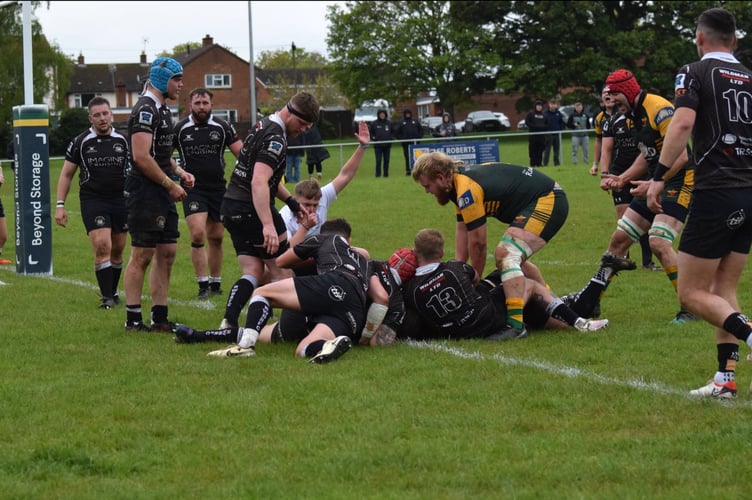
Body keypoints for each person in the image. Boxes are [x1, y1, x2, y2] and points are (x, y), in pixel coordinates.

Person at [646, 8, 752, 398]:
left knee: (690, 293)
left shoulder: (695, 71)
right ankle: (725, 381)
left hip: (716, 190)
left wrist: (658, 177)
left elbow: (684, 123)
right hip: (748, 190)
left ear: (699, 38)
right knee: (723, 289)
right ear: (735, 41)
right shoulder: (749, 77)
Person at [566, 69, 695, 324]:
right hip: (656, 179)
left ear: (627, 92)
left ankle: (690, 306)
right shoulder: (631, 117)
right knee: (619, 239)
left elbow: (680, 157)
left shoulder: (660, 109)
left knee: (658, 241)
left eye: (614, 97)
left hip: (680, 180)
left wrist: (655, 183)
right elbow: (645, 155)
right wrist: (622, 178)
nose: (612, 104)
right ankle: (591, 301)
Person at [411, 151, 569, 338]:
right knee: (517, 263)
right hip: (541, 197)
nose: (427, 191)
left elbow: (478, 243)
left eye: (427, 186)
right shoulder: (456, 184)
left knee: (506, 254)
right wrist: (457, 270)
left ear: (440, 177)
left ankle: (516, 326)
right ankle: (554, 307)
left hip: (547, 199)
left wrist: (473, 281)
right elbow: (463, 230)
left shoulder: (466, 189)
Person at [217, 91, 318, 332]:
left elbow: (265, 177)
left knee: (252, 270)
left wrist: (293, 203)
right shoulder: (276, 138)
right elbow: (259, 182)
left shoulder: (263, 123)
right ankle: (283, 328)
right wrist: (268, 224)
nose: (304, 130)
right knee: (282, 271)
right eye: (303, 124)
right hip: (251, 209)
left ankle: (228, 322)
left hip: (231, 206)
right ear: (291, 112)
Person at [204, 218, 371, 363]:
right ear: (349, 239)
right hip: (355, 307)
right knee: (302, 349)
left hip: (335, 283)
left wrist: (312, 255)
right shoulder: (362, 257)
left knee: (262, 293)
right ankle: (327, 345)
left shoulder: (323, 238)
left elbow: (282, 262)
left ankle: (245, 346)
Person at [398, 228, 608, 340]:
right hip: (484, 318)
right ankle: (579, 322)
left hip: (457, 330)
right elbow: (474, 280)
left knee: (509, 273)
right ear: (441, 252)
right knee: (524, 281)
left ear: (415, 254)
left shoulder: (411, 289)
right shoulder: (454, 267)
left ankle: (554, 303)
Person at [122, 57, 195, 332]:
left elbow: (161, 155)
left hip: (163, 189)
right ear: (163, 80)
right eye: (177, 79)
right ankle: (133, 319)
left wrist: (180, 172)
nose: (181, 85)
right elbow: (141, 157)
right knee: (141, 255)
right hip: (145, 192)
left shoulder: (163, 110)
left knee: (167, 253)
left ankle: (160, 317)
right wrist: (170, 184)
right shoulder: (144, 110)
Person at [54, 97, 129, 309]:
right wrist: (60, 204)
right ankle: (106, 298)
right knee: (102, 245)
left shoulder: (123, 140)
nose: (102, 118)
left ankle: (113, 293)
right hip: (93, 200)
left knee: (118, 249)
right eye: (97, 115)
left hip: (120, 199)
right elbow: (67, 174)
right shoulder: (81, 141)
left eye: (105, 113)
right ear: (90, 118)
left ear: (111, 114)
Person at [173, 88, 243, 300]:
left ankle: (215, 283)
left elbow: (243, 153)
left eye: (205, 103)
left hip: (218, 189)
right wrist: (181, 173)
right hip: (194, 190)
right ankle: (202, 285)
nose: (201, 107)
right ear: (190, 104)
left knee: (217, 237)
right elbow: (163, 156)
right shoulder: (180, 128)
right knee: (196, 233)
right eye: (197, 103)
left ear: (211, 105)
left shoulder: (222, 127)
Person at [598, 92, 659, 273]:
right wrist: (605, 175)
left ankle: (648, 261)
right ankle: (622, 258)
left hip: (643, 173)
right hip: (619, 173)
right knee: (624, 219)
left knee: (644, 218)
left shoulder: (642, 120)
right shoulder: (611, 122)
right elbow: (607, 149)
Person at [395, 108, 423, 175]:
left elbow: (421, 130)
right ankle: (408, 170)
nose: (407, 114)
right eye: (406, 113)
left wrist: (419, 137)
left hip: (415, 143)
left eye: (408, 113)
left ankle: (417, 170)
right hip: (406, 143)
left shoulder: (415, 121)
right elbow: (396, 132)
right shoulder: (401, 122)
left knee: (417, 157)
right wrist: (401, 139)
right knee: (407, 157)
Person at [369, 108, 393, 177]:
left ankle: (386, 174)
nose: (382, 115)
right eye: (381, 114)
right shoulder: (374, 123)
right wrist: (373, 138)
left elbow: (393, 132)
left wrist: (391, 138)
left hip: (387, 146)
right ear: (378, 115)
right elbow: (371, 132)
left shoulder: (389, 123)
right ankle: (378, 175)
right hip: (378, 146)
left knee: (386, 161)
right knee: (378, 161)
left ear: (385, 115)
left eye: (383, 114)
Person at [524, 99, 547, 167]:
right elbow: (527, 122)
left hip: (541, 136)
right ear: (535, 106)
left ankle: (539, 164)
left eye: (540, 106)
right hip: (533, 136)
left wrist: (542, 127)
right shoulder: (531, 114)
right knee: (533, 150)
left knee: (540, 150)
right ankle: (532, 164)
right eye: (538, 106)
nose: (539, 107)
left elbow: (547, 124)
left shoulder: (544, 115)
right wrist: (534, 127)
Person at [542, 98, 565, 166]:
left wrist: (560, 130)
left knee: (556, 150)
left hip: (557, 134)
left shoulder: (558, 113)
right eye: (551, 104)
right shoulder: (545, 113)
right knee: (547, 150)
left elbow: (561, 123)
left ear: (556, 105)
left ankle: (556, 163)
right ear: (549, 105)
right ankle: (545, 163)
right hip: (548, 135)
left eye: (554, 104)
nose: (553, 105)